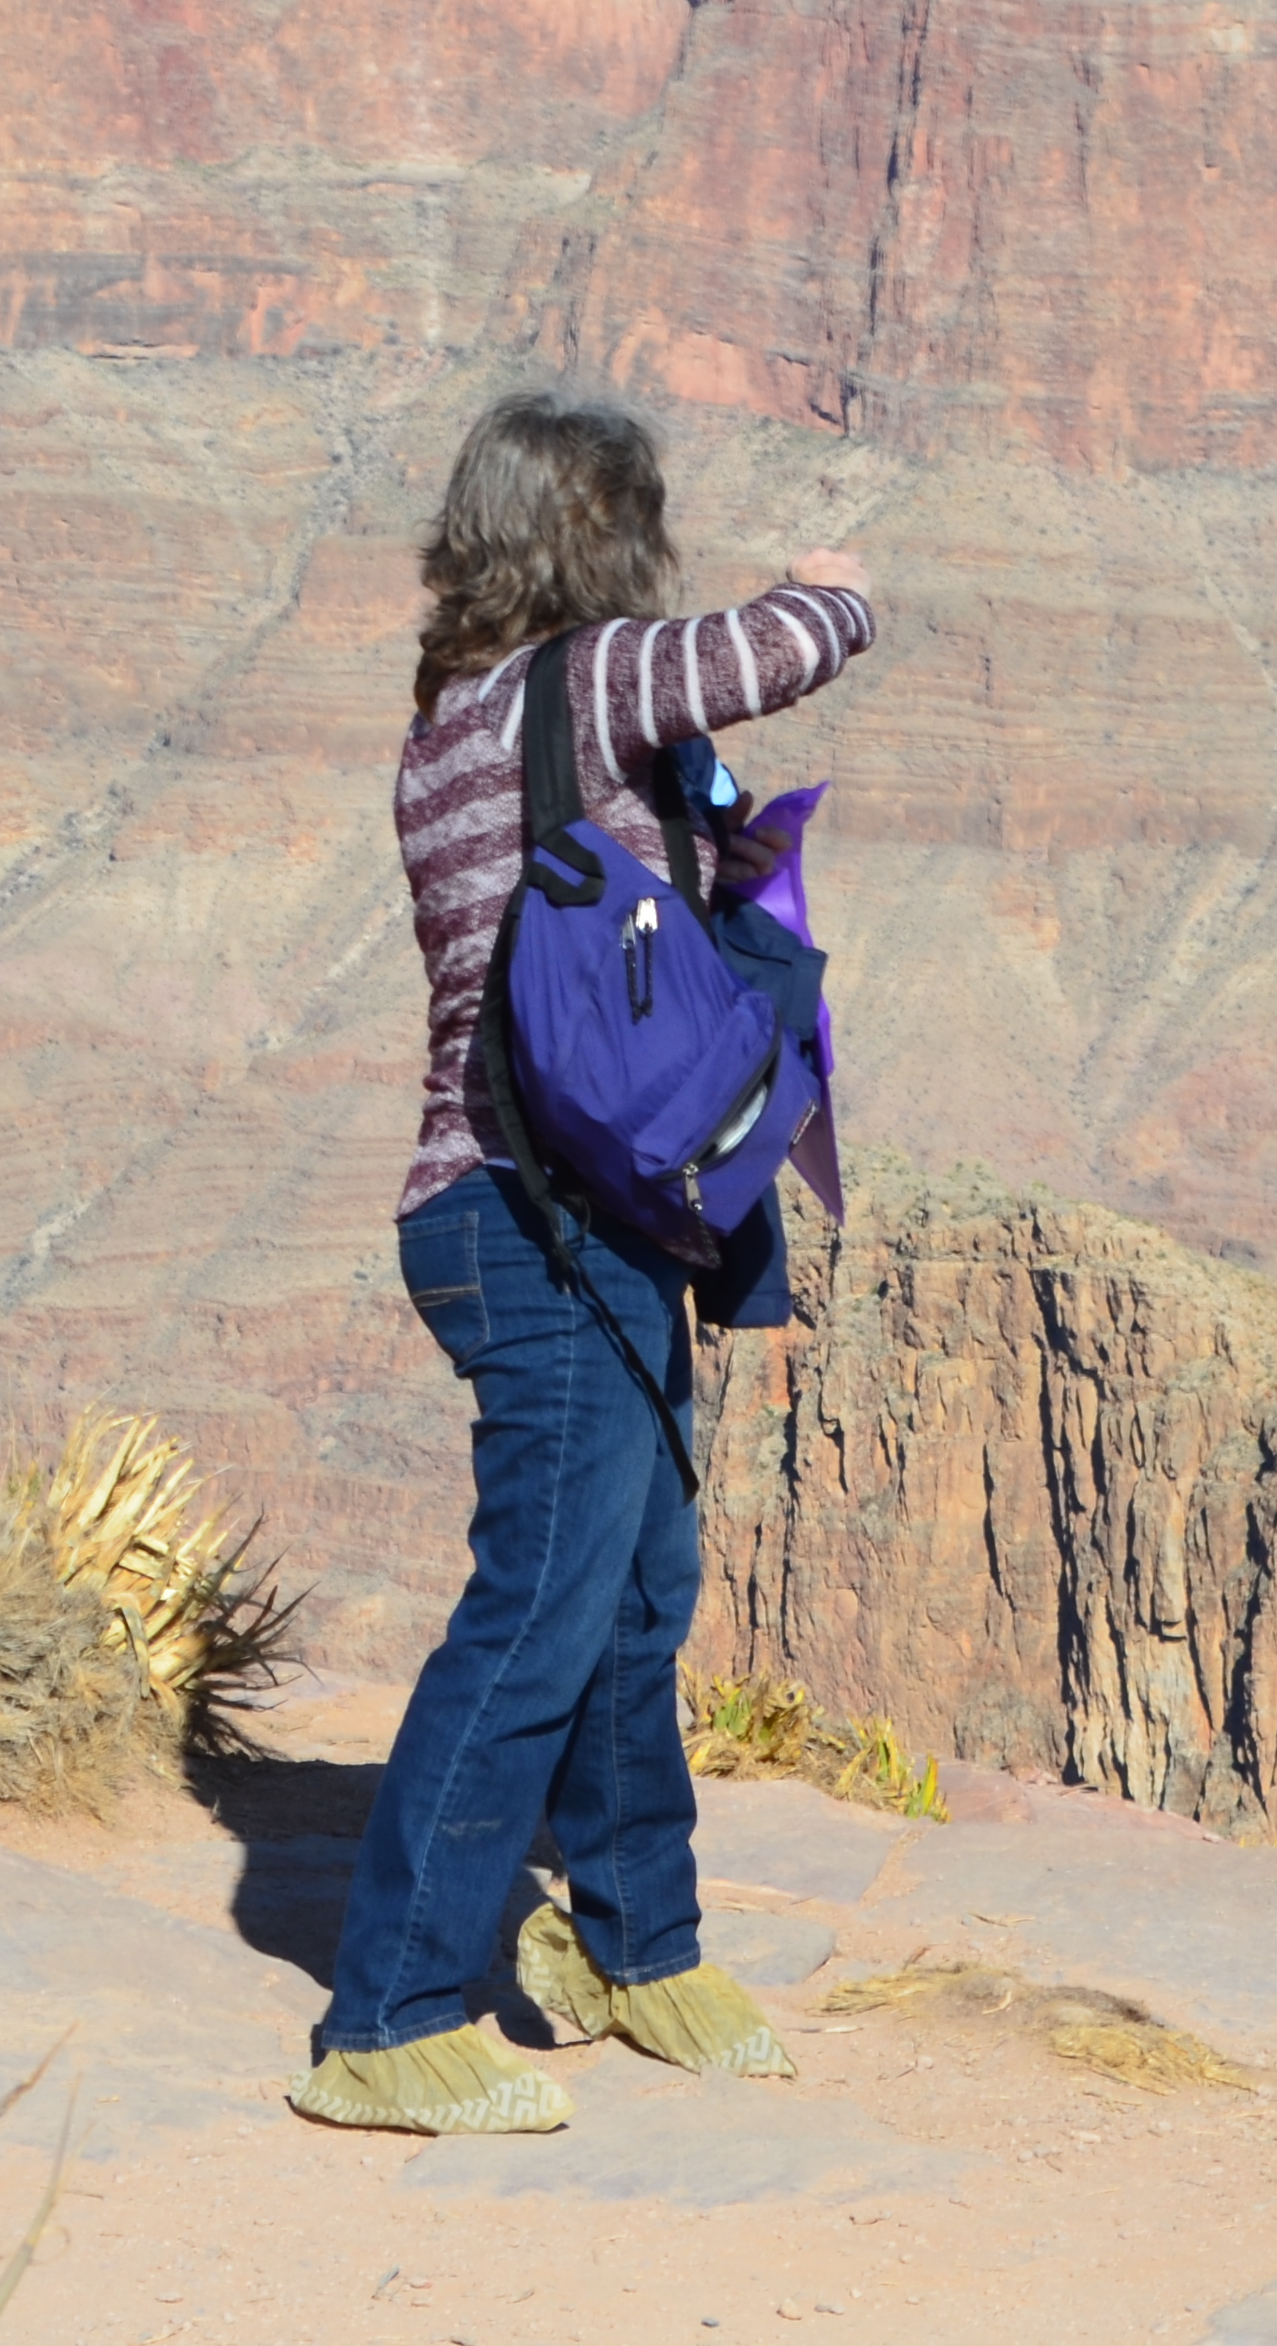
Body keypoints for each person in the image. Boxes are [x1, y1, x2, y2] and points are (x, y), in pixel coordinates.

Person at [297, 390, 876, 2133]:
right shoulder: (586, 679)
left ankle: (640, 1948)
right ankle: (389, 2016)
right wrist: (832, 583)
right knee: (544, 1605)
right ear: (592, 537)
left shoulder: (451, 720)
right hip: (526, 1219)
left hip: (554, 1220)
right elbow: (786, 647)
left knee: (636, 1592)